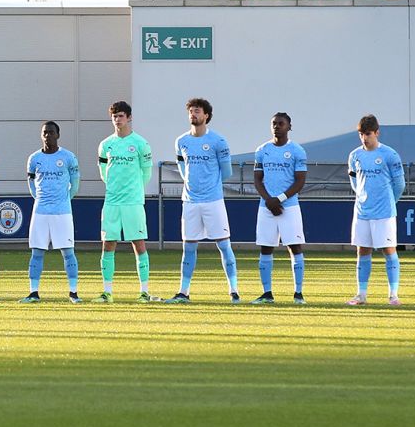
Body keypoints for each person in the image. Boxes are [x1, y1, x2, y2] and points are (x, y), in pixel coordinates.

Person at [167, 98, 239, 304]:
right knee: (188, 247)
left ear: (206, 115)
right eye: (191, 111)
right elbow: (183, 169)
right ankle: (183, 292)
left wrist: (209, 185)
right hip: (190, 201)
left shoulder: (218, 141)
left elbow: (227, 172)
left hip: (213, 201)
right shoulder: (181, 141)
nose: (193, 115)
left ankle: (234, 290)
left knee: (224, 245)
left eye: (197, 111)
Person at [96, 100, 155, 303]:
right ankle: (107, 292)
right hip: (112, 202)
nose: (117, 119)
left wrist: (134, 190)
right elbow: (104, 172)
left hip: (133, 202)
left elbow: (146, 172)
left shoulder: (140, 143)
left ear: (129, 117)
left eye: (121, 116)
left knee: (138, 244)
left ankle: (144, 292)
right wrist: (114, 188)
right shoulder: (106, 145)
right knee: (108, 244)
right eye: (114, 116)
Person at [346, 115, 404, 305]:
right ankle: (361, 295)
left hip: (384, 212)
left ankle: (393, 295)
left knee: (388, 250)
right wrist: (363, 196)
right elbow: (354, 182)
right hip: (362, 211)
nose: (364, 138)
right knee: (362, 251)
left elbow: (399, 184)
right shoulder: (355, 155)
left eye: (368, 134)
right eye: (361, 134)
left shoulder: (390, 155)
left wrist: (389, 202)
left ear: (377, 133)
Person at [22, 121, 82, 303]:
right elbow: (31, 184)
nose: (48, 136)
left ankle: (73, 293)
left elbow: (75, 184)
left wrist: (64, 200)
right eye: (45, 133)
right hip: (40, 212)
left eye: (51, 132)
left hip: (62, 212)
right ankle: (33, 292)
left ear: (58, 135)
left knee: (68, 252)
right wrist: (41, 199)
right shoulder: (34, 159)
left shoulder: (68, 157)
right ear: (41, 135)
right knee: (37, 252)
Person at [253, 111, 309, 304]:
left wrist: (281, 198)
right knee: (266, 247)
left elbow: (300, 181)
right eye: (274, 123)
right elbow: (258, 179)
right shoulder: (262, 150)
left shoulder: (297, 151)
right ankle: (267, 293)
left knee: (295, 246)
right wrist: (269, 200)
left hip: (289, 206)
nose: (277, 126)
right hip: (266, 206)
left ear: (289, 127)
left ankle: (298, 293)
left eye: (281, 123)